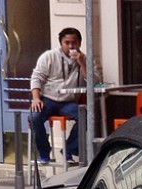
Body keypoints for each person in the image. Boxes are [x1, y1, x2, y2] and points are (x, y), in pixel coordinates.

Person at [28, 28, 95, 164]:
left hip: (69, 101)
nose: (71, 46)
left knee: (87, 117)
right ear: (61, 43)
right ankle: (44, 152)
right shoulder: (49, 56)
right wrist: (36, 98)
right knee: (34, 117)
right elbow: (36, 77)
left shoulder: (85, 59)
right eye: (67, 43)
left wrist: (82, 63)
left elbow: (95, 82)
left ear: (80, 43)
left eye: (74, 43)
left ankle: (69, 149)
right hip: (48, 98)